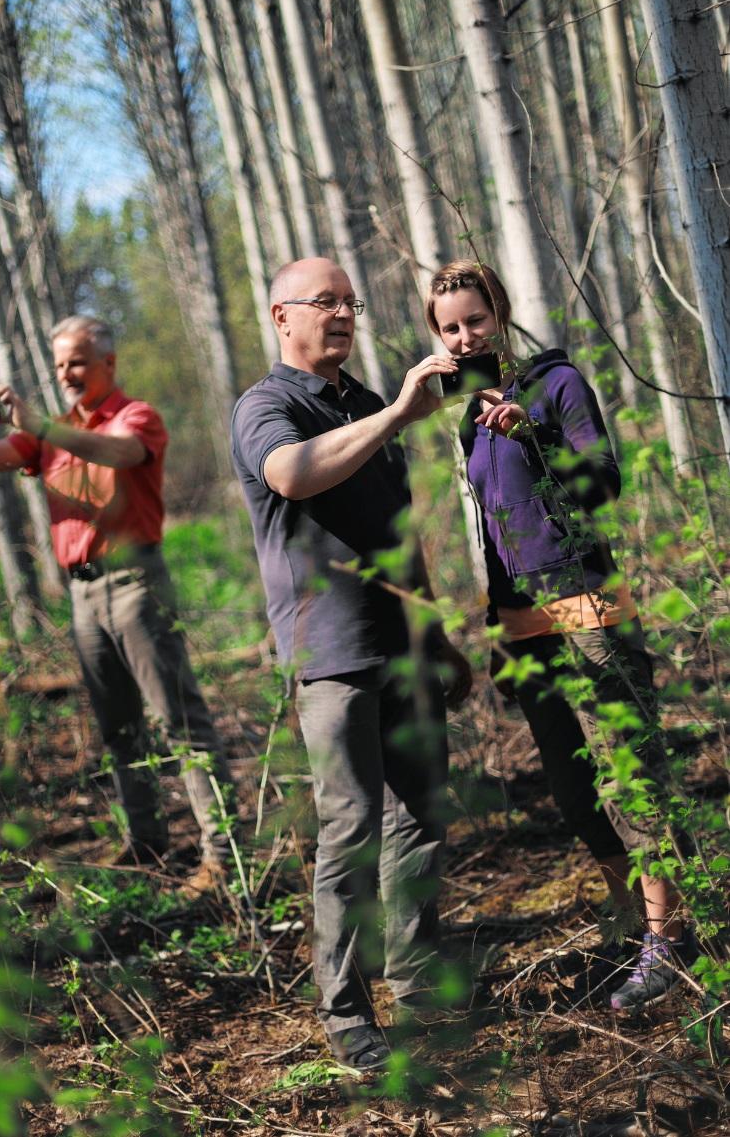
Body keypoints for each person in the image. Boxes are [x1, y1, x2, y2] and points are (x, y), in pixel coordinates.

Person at [426, 258, 694, 1013]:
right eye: (449, 327)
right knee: (575, 791)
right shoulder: (463, 413)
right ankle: (636, 926)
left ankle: (666, 939)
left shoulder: (554, 381)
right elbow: (491, 525)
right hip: (521, 619)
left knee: (628, 777)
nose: (464, 334)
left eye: (474, 319)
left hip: (582, 596)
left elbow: (602, 481)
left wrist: (535, 431)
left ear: (500, 313)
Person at [231, 257, 472, 1070]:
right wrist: (400, 413)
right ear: (280, 316)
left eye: (349, 300)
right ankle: (344, 1016)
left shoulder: (364, 402)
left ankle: (413, 980)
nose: (341, 313)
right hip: (330, 652)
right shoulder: (265, 406)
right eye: (323, 301)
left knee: (418, 818)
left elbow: (397, 528)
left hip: (401, 641)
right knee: (351, 829)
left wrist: (435, 632)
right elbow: (292, 474)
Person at [0, 315, 232, 892]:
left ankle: (224, 857)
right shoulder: (51, 431)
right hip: (81, 593)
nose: (66, 374)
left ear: (108, 363)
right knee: (120, 727)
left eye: (76, 361)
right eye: (59, 365)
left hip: (135, 584)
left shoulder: (135, 416)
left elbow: (122, 455)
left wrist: (42, 425)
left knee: (180, 721)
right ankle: (148, 845)